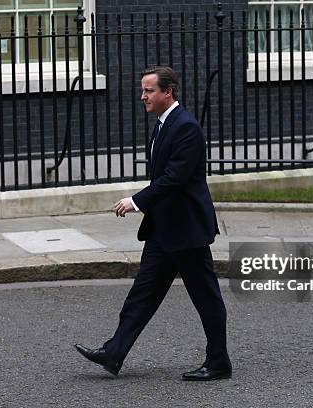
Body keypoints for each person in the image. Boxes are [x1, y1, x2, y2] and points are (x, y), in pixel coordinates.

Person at [74, 66, 232, 381]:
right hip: (164, 229)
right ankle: (114, 352)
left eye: (149, 90)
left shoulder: (185, 127)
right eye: (143, 90)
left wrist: (136, 201)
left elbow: (174, 178)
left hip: (186, 230)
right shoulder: (163, 124)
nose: (143, 96)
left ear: (167, 92)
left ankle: (218, 362)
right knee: (142, 294)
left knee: (206, 297)